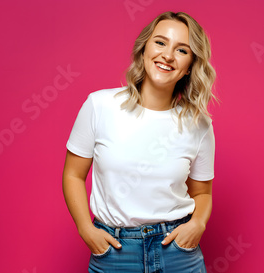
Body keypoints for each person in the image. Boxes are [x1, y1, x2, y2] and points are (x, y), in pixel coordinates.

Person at [62, 11, 217, 272]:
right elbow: (73, 174)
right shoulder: (100, 105)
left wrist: (197, 224)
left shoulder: (198, 124)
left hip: (177, 253)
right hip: (115, 252)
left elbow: (202, 193)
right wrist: (86, 229)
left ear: (190, 65)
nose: (167, 55)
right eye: (160, 42)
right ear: (143, 49)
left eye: (182, 50)